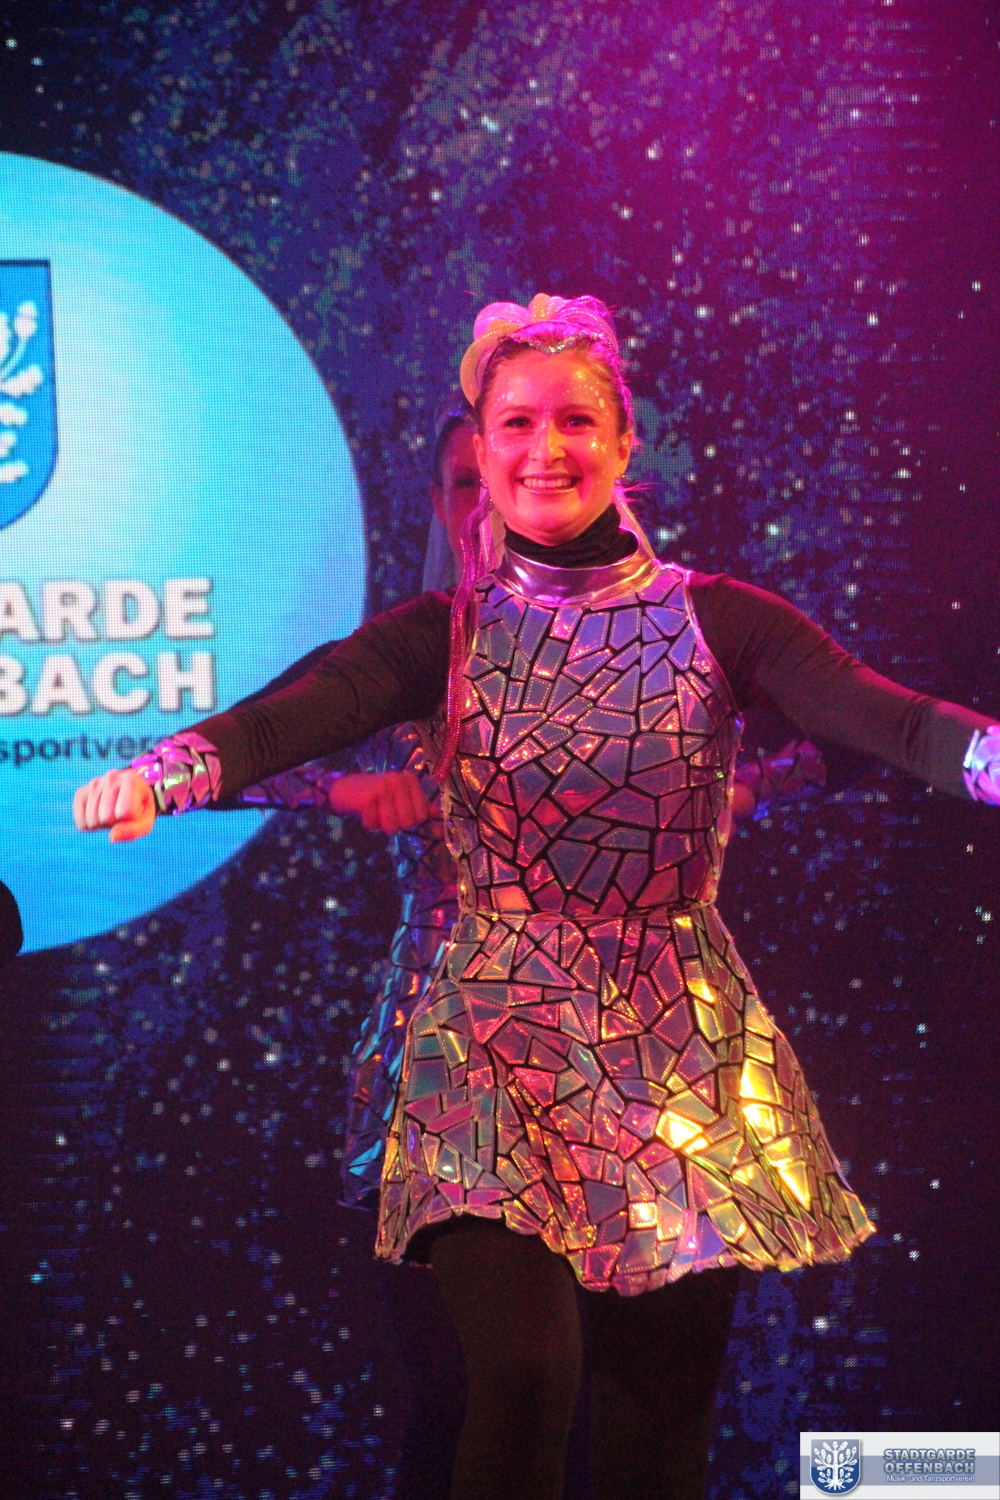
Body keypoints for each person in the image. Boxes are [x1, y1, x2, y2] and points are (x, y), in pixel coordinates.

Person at [73, 294, 1000, 1500]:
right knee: (523, 1374)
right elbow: (294, 716)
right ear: (481, 440)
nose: (543, 449)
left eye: (574, 421)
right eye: (515, 423)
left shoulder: (717, 620)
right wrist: (167, 773)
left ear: (622, 443)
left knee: (655, 1426)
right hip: (490, 1044)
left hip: (679, 1054)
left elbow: (889, 722)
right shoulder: (444, 635)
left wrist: (987, 758)